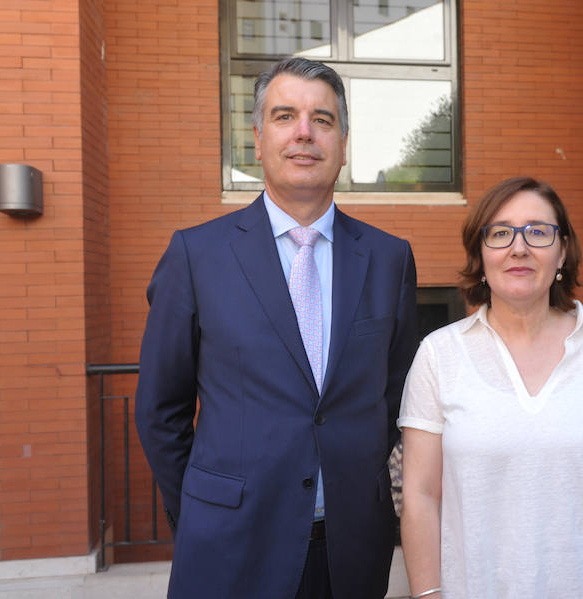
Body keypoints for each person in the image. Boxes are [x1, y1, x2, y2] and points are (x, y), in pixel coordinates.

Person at [135, 57, 418, 599]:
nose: (305, 133)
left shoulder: (390, 259)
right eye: (286, 115)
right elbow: (160, 411)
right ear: (258, 139)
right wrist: (201, 510)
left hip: (351, 551)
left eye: (324, 119)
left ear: (342, 142)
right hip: (228, 547)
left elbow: (391, 401)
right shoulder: (196, 254)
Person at [398, 176, 583, 599]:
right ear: (480, 252)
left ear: (562, 250)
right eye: (500, 233)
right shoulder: (440, 355)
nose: (519, 247)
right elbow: (420, 495)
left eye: (538, 231)